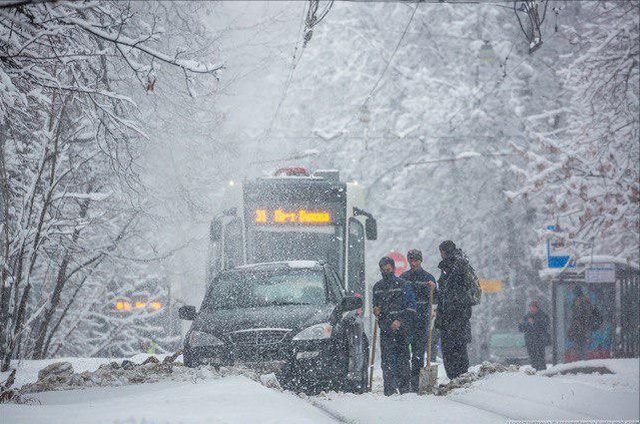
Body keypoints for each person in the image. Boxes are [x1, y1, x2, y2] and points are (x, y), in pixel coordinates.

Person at [372, 256, 417, 396]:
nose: (386, 272)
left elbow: (411, 307)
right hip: (385, 329)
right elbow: (376, 305)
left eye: (388, 270)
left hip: (402, 330)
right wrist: (376, 310)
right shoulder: (378, 287)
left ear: (393, 269)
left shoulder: (403, 285)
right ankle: (389, 389)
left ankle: (404, 388)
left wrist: (399, 320)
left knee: (403, 358)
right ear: (380, 270)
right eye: (383, 270)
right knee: (387, 360)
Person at [434, 240, 473, 380]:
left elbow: (448, 294)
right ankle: (460, 377)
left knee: (451, 351)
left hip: (453, 318)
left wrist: (442, 316)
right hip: (459, 317)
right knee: (458, 349)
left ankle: (457, 378)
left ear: (443, 252)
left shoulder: (454, 266)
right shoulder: (461, 263)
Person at [400, 249, 437, 393]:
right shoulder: (404, 278)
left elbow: (436, 298)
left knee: (418, 354)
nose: (413, 263)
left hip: (422, 322)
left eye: (416, 260)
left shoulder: (428, 278)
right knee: (404, 353)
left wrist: (433, 290)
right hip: (407, 322)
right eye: (411, 260)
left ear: (421, 261)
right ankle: (405, 384)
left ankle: (416, 385)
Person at [567, 286, 602, 361]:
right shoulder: (583, 301)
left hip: (581, 330)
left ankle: (581, 363)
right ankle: (581, 362)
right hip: (581, 330)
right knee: (580, 349)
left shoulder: (582, 302)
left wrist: (575, 327)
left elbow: (580, 317)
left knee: (580, 350)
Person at [518, 301, 550, 371]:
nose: (531, 309)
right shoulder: (526, 316)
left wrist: (534, 323)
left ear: (537, 308)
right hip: (530, 341)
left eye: (533, 307)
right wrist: (521, 324)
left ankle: (542, 372)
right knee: (532, 358)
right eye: (530, 307)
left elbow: (544, 327)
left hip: (539, 341)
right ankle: (534, 371)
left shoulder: (543, 315)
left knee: (540, 358)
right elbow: (521, 329)